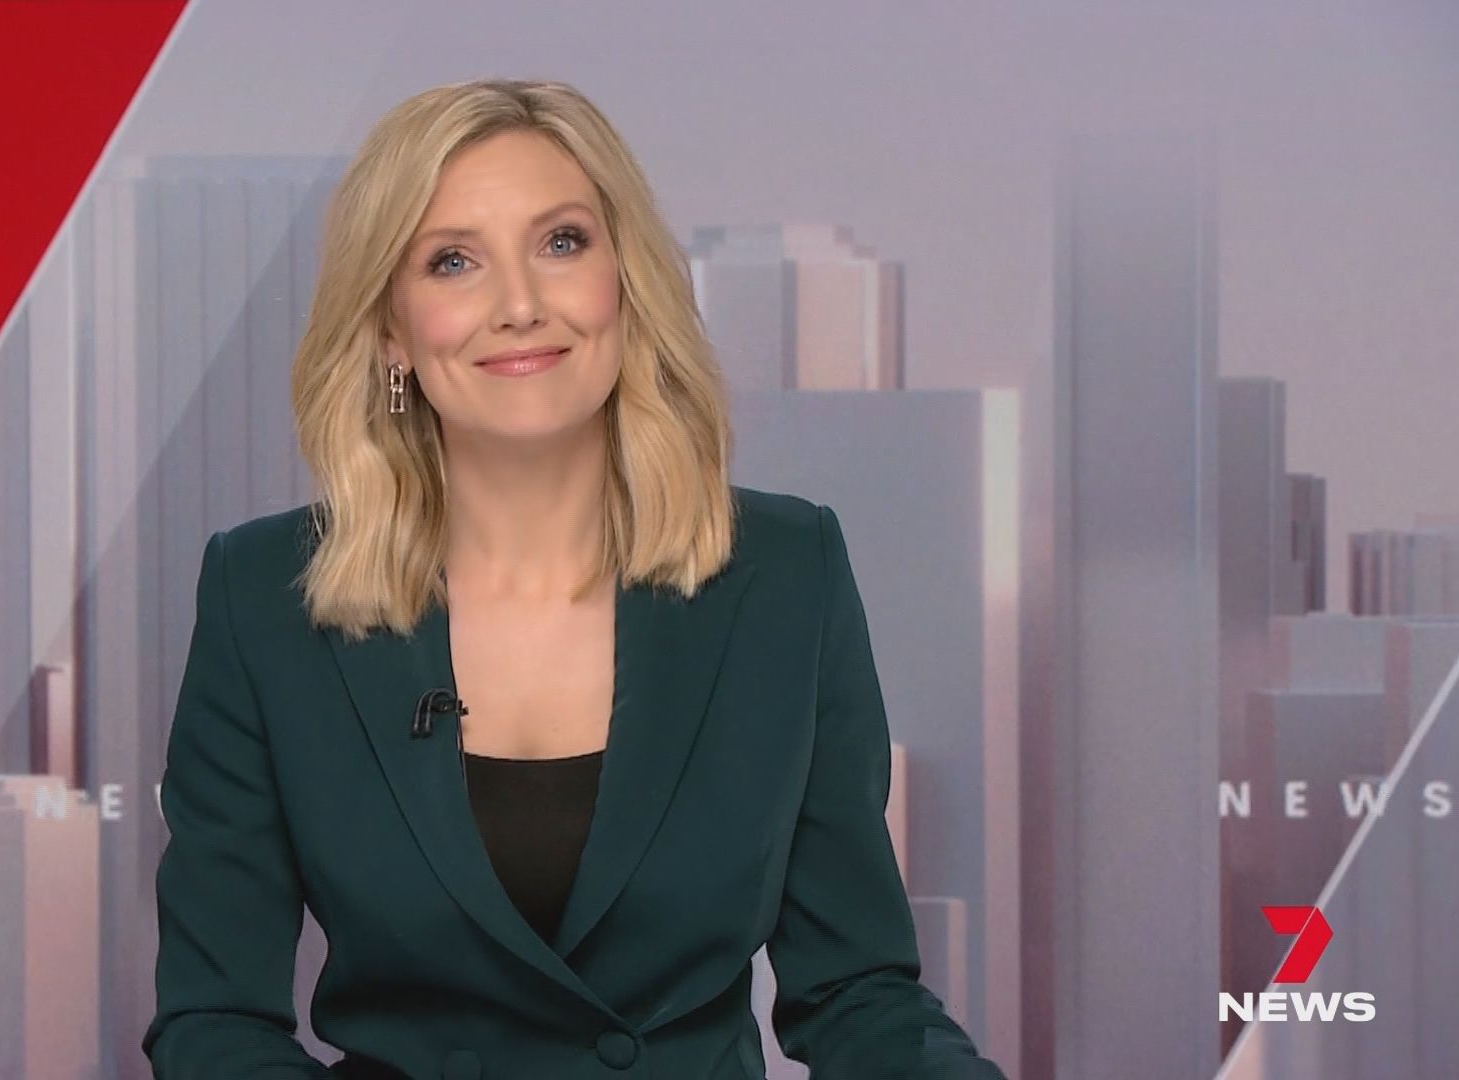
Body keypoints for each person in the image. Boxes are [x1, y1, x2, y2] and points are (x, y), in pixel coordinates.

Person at [141, 76, 1005, 1080]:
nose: (520, 306)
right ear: (389, 330)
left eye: (561, 242)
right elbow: (215, 1022)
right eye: (453, 261)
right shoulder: (263, 598)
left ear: (625, 282)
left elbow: (857, 991)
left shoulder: (784, 574)